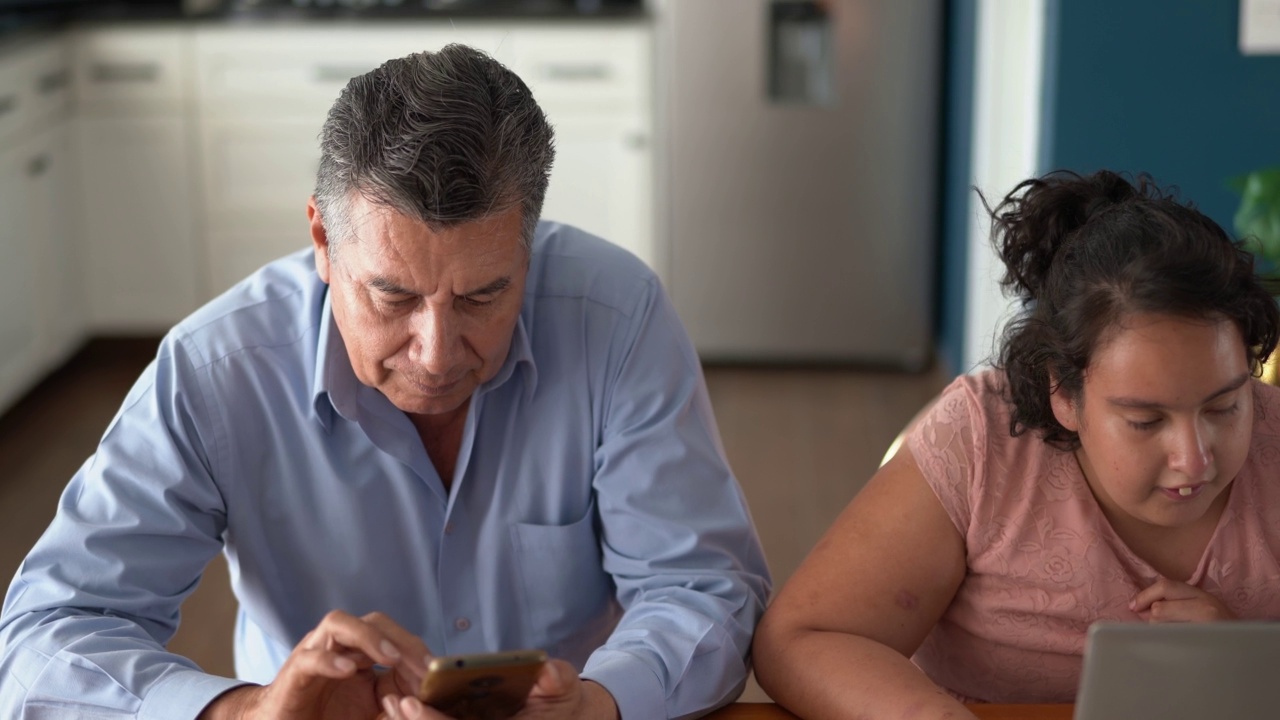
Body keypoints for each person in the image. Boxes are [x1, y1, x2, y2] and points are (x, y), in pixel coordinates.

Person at [0, 44, 771, 720]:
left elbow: (706, 589)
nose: (436, 354)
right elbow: (45, 636)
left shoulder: (617, 317)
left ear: (528, 252)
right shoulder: (216, 370)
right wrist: (249, 712)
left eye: (482, 296)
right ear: (322, 243)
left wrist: (598, 704)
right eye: (392, 297)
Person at [752, 169, 1280, 718]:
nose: (1193, 458)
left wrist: (1241, 656)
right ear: (1065, 395)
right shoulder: (983, 445)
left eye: (1224, 407)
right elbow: (805, 637)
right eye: (1145, 421)